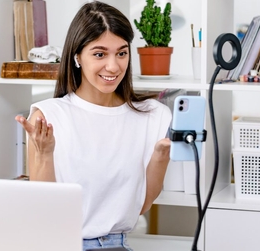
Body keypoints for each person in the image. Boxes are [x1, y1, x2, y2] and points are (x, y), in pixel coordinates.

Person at [15, 1, 172, 250]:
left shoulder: (153, 116)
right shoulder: (49, 116)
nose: (113, 66)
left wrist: (160, 157)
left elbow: (141, 206)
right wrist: (45, 154)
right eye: (100, 54)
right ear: (77, 56)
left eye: (121, 53)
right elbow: (46, 212)